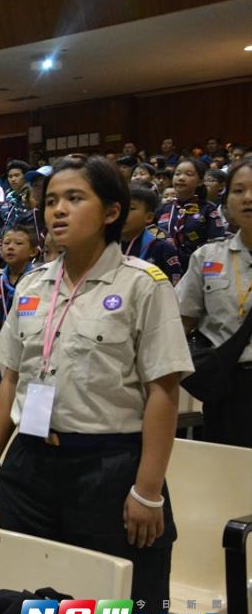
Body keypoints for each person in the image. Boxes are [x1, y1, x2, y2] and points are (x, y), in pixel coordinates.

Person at [0, 156, 194, 614]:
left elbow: (163, 390)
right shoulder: (32, 285)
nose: (57, 211)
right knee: (35, 608)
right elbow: (11, 378)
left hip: (110, 468)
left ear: (112, 211)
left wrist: (148, 489)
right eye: (51, 200)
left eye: (74, 199)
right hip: (31, 465)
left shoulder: (143, 284)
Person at [175, 157, 252, 447]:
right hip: (228, 388)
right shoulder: (207, 258)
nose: (248, 199)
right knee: (228, 479)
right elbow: (180, 324)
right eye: (239, 190)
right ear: (226, 201)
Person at [156, 158, 226, 273]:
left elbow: (217, 243)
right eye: (177, 174)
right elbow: (152, 234)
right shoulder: (163, 209)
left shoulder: (207, 209)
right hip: (165, 269)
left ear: (200, 181)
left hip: (197, 269)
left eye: (189, 174)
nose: (181, 178)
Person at [0, 225, 39, 337]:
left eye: (18, 243)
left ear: (33, 251)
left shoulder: (38, 282)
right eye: (6, 243)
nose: (10, 247)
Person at [124, 185, 182, 286]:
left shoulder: (162, 247)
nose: (122, 213)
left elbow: (173, 286)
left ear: (149, 217)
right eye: (120, 207)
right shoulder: (105, 244)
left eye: (130, 208)